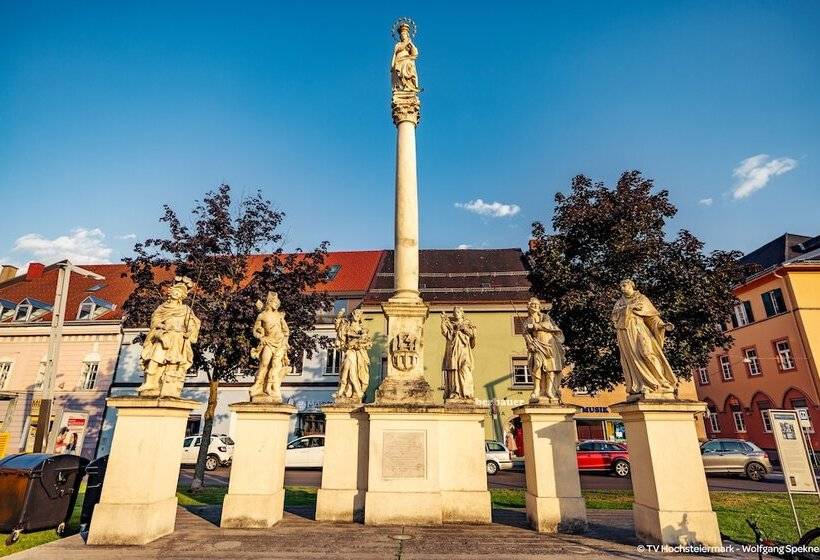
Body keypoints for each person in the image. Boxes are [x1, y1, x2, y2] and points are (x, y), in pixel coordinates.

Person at [611, 279, 677, 400]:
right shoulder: (619, 302)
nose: (622, 288)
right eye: (620, 286)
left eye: (624, 285)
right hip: (624, 332)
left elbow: (652, 317)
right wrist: (629, 308)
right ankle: (642, 384)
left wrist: (661, 325)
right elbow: (614, 317)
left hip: (639, 329)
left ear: (631, 286)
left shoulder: (642, 299)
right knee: (632, 358)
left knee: (647, 353)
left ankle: (662, 381)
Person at [138, 276, 200, 398]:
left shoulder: (185, 310)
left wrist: (190, 332)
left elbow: (193, 323)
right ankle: (150, 383)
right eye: (175, 290)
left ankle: (167, 384)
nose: (177, 293)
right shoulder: (162, 308)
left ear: (182, 296)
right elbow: (155, 320)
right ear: (171, 292)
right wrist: (160, 325)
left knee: (174, 361)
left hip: (178, 338)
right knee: (155, 358)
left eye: (180, 292)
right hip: (164, 336)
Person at [249, 291, 290, 402]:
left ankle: (270, 387)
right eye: (275, 302)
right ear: (269, 302)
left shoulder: (280, 316)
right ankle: (258, 385)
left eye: (277, 302)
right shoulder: (262, 316)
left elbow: (286, 331)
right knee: (264, 364)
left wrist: (285, 342)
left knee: (276, 365)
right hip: (268, 342)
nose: (277, 304)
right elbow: (255, 331)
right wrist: (261, 337)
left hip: (280, 343)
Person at [334, 308, 373, 402]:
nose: (357, 316)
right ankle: (350, 390)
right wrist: (339, 319)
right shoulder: (346, 327)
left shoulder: (363, 330)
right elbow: (340, 333)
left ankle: (353, 391)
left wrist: (361, 342)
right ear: (352, 315)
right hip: (350, 352)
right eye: (356, 314)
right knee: (349, 367)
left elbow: (368, 343)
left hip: (360, 354)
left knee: (362, 376)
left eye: (359, 315)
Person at [440, 307, 477, 400]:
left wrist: (464, 329)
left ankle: (467, 392)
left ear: (462, 313)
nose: (456, 313)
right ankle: (455, 392)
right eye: (454, 312)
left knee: (465, 369)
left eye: (458, 311)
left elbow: (472, 335)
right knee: (454, 370)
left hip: (464, 351)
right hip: (453, 351)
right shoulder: (451, 324)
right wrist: (443, 323)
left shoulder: (467, 323)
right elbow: (446, 333)